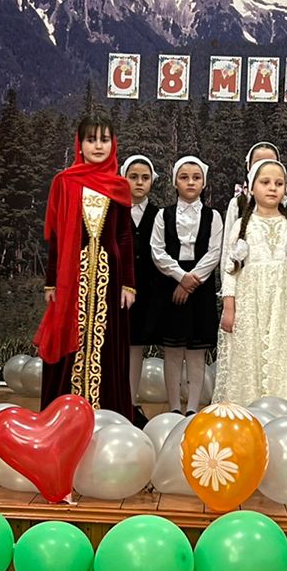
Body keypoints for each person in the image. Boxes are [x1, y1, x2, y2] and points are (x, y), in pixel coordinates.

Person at [34, 110, 136, 413]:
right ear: (80, 144)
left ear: (113, 144)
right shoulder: (65, 182)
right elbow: (56, 235)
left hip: (109, 277)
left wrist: (129, 283)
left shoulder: (119, 186)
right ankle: (65, 412)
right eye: (91, 139)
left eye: (104, 139)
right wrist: (51, 282)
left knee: (107, 342)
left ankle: (105, 411)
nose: (98, 146)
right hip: (71, 277)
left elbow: (125, 236)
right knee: (70, 335)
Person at [216, 158, 287, 415]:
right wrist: (229, 307)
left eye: (278, 183)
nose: (272, 188)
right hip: (251, 304)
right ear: (251, 187)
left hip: (285, 304)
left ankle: (283, 413)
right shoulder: (242, 225)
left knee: (282, 357)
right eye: (265, 182)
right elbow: (230, 270)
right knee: (250, 356)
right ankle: (248, 414)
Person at [150, 156, 222, 413]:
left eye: (196, 178)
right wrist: (180, 276)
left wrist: (191, 280)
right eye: (184, 177)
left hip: (201, 287)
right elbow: (157, 250)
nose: (190, 182)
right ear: (175, 183)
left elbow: (214, 252)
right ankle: (173, 407)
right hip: (170, 286)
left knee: (196, 352)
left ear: (204, 183)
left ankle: (192, 408)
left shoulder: (214, 216)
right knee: (172, 350)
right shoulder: (163, 215)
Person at [121, 154, 163, 417]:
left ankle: (131, 399)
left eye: (145, 178)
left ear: (152, 181)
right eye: (133, 177)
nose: (139, 182)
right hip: (117, 290)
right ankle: (114, 398)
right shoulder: (114, 211)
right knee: (118, 345)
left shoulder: (159, 215)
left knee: (136, 345)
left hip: (148, 291)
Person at [225, 140, 287, 226]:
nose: (264, 167)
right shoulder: (237, 203)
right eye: (258, 162)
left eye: (270, 162)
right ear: (248, 166)